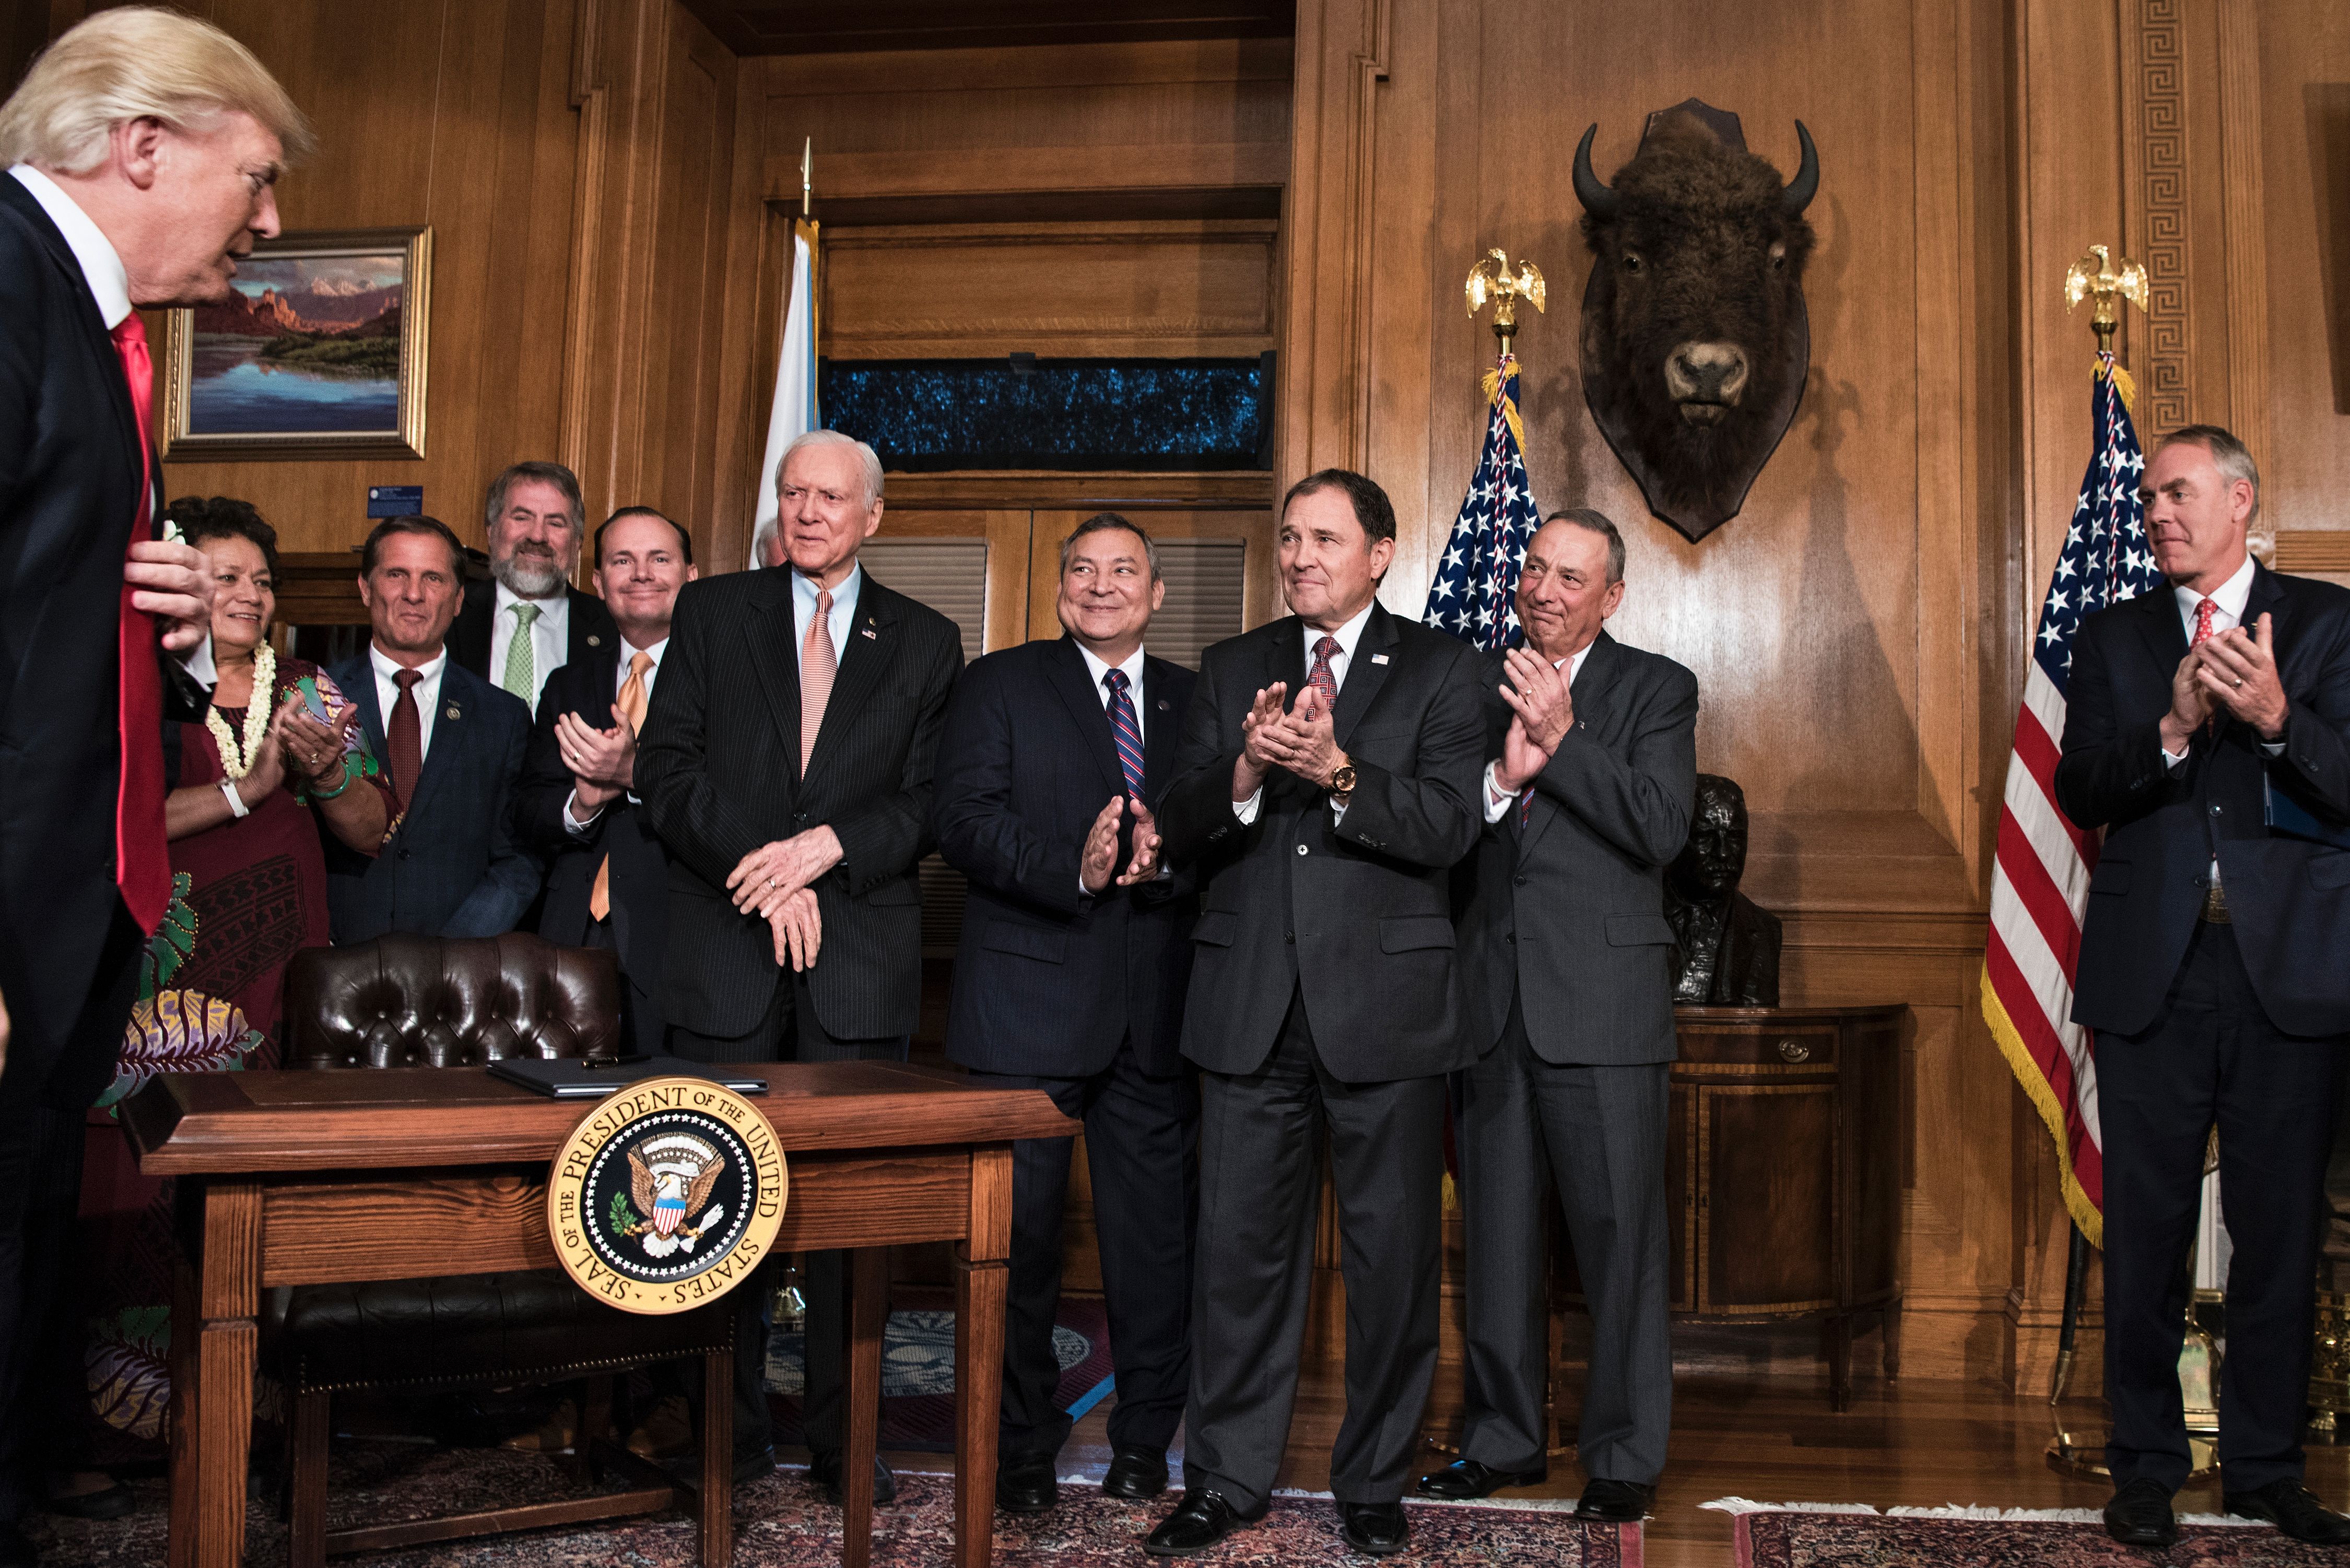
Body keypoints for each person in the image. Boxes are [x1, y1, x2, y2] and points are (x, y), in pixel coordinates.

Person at [0, 12, 309, 1561]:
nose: (265, 223)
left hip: (70, 903)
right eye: (252, 179)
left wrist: (154, 613)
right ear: (144, 146)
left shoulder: (90, 324)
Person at [1147, 469, 1485, 1559]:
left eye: (1324, 538)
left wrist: (1338, 769)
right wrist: (1245, 766)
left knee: (1392, 1261)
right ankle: (1228, 1476)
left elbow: (1447, 829)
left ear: (1380, 552)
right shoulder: (1234, 664)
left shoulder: (1442, 667)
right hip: (1250, 1005)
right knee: (1239, 1255)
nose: (1299, 556)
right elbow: (1178, 820)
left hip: (1384, 1009)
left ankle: (1374, 1478)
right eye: (1289, 537)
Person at [637, 429, 962, 1502]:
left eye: (830, 497)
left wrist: (827, 852)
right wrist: (768, 873)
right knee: (708, 1206)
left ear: (874, 514)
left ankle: (843, 1435)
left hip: (857, 956)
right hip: (724, 953)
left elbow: (929, 799)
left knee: (844, 1223)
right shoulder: (712, 611)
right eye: (792, 493)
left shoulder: (924, 639)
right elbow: (668, 767)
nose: (809, 512)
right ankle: (725, 1441)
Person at [2057, 425, 2350, 1550]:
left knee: (2279, 1235)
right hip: (2154, 975)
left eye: (2178, 494)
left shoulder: (2326, 623)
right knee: (2147, 1231)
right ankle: (2145, 1466)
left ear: (2242, 500)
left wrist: (2278, 720)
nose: (2158, 514)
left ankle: (2267, 1467)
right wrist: (2175, 726)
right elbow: (2081, 785)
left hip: (2291, 974)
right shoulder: (2114, 635)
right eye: (2150, 499)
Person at [72, 496, 393, 1502]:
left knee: (258, 1202)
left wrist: (327, 765)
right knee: (129, 1191)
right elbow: (106, 822)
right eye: (226, 574)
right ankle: (101, 1440)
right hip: (151, 986)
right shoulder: (130, 681)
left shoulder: (306, 684)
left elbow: (371, 827)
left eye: (262, 578)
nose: (249, 592)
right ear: (174, 584)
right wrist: (252, 788)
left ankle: (252, 1428)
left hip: (269, 986)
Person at [1420, 510, 1697, 1523]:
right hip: (1489, 1003)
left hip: (1607, 1013)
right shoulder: (1468, 679)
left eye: (1570, 577)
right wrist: (1500, 780)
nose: (1543, 589)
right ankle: (1501, 1438)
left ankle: (1623, 1453)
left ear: (1611, 596)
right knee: (1496, 1239)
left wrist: (1565, 739)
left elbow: (1662, 827)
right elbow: (1443, 828)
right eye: (1534, 567)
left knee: (1622, 1242)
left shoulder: (1657, 689)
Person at [932, 513, 1199, 1516]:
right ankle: (1021, 1448)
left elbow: (1220, 826)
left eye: (1123, 569)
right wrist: (1073, 868)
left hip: (1157, 1015)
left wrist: (1164, 857)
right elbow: (959, 817)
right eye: (1082, 568)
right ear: (1058, 589)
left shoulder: (1192, 696)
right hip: (1024, 1009)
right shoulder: (999, 683)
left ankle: (1143, 1443)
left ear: (1156, 592)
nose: (1101, 584)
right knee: (1019, 1249)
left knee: (1152, 1250)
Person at [519, 506, 698, 1057]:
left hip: (679, 936)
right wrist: (584, 803)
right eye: (622, 560)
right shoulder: (569, 683)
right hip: (571, 936)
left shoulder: (724, 683)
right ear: (597, 582)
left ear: (691, 576)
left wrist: (634, 775)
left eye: (659, 559)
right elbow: (526, 810)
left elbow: (736, 808)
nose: (641, 574)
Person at [324, 515, 541, 943]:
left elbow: (519, 860)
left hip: (457, 976)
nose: (413, 594)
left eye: (434, 578)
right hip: (331, 965)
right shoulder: (317, 696)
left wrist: (451, 954)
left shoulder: (504, 716)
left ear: (459, 599)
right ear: (366, 588)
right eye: (396, 574)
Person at [449, 461, 619, 710]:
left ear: (578, 541)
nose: (537, 536)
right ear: (491, 531)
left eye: (555, 523)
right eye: (521, 518)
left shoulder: (612, 627)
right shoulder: (449, 615)